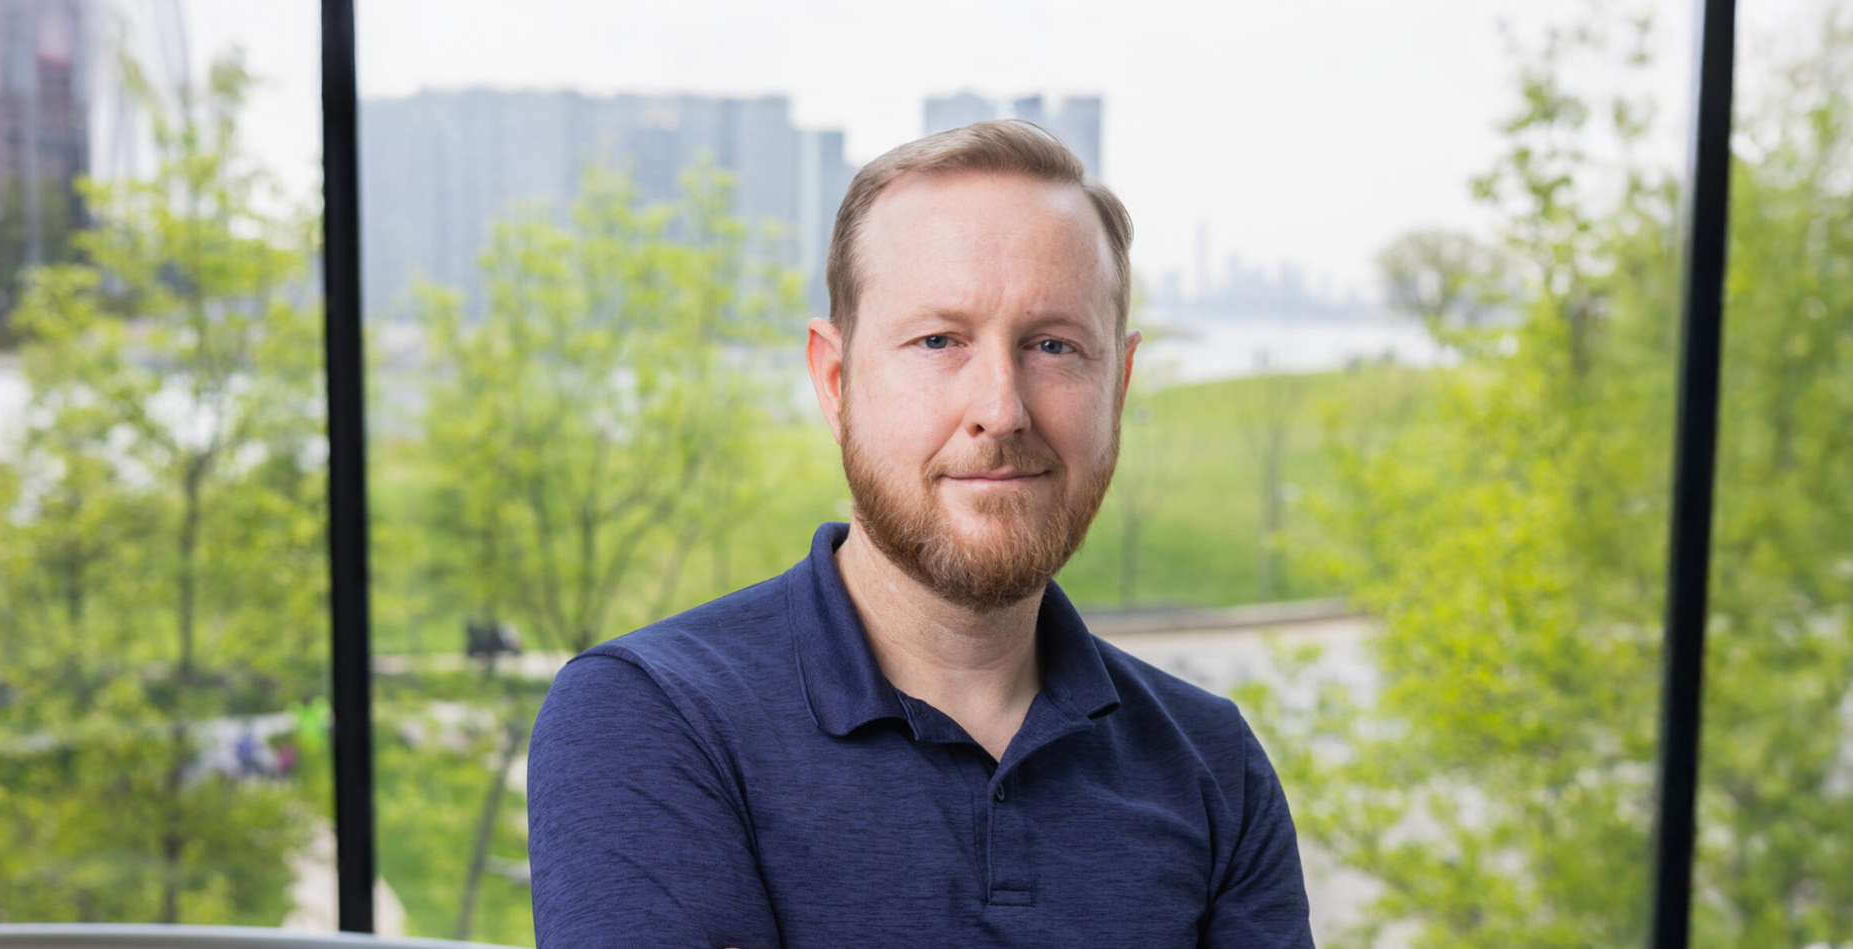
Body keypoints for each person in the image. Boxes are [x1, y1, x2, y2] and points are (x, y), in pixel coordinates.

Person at [528, 120, 1313, 949]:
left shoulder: (1213, 763)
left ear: (1117, 386)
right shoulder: (650, 717)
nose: (1002, 409)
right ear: (836, 381)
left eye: (1052, 345)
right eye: (939, 341)